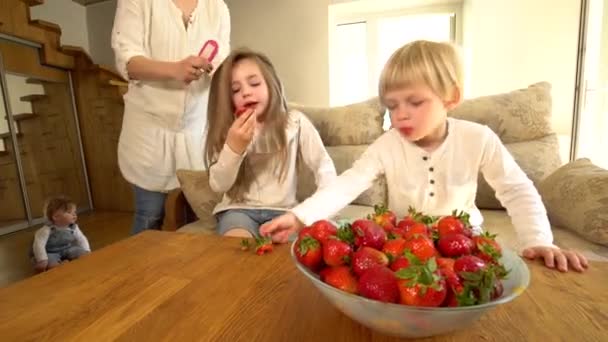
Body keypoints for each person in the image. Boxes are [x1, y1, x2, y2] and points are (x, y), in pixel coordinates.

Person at [260, 40, 588, 273]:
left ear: (451, 97)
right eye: (392, 105)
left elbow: (517, 190)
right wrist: (299, 217)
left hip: (465, 243)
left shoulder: (478, 138)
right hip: (403, 247)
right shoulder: (388, 144)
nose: (400, 115)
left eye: (414, 102)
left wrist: (540, 241)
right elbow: (348, 184)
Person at [111, 0, 231, 234]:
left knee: (196, 214)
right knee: (150, 214)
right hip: (149, 132)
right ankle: (142, 271)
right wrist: (175, 69)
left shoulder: (218, 8)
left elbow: (221, 63)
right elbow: (127, 60)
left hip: (196, 132)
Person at [204, 48, 337, 238]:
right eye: (235, 90)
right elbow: (219, 185)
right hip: (238, 210)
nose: (246, 92)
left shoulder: (295, 122)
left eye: (254, 83)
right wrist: (234, 148)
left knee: (290, 253)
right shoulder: (230, 130)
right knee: (235, 247)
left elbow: (323, 166)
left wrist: (322, 208)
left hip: (284, 212)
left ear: (271, 85)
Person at [31, 196, 90, 273]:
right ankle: (59, 265)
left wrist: (87, 250)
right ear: (56, 217)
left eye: (74, 212)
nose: (74, 215)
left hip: (67, 248)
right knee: (51, 264)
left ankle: (66, 262)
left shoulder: (73, 227)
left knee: (82, 254)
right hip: (51, 252)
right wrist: (42, 260)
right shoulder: (46, 230)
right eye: (69, 212)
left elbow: (81, 238)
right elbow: (38, 245)